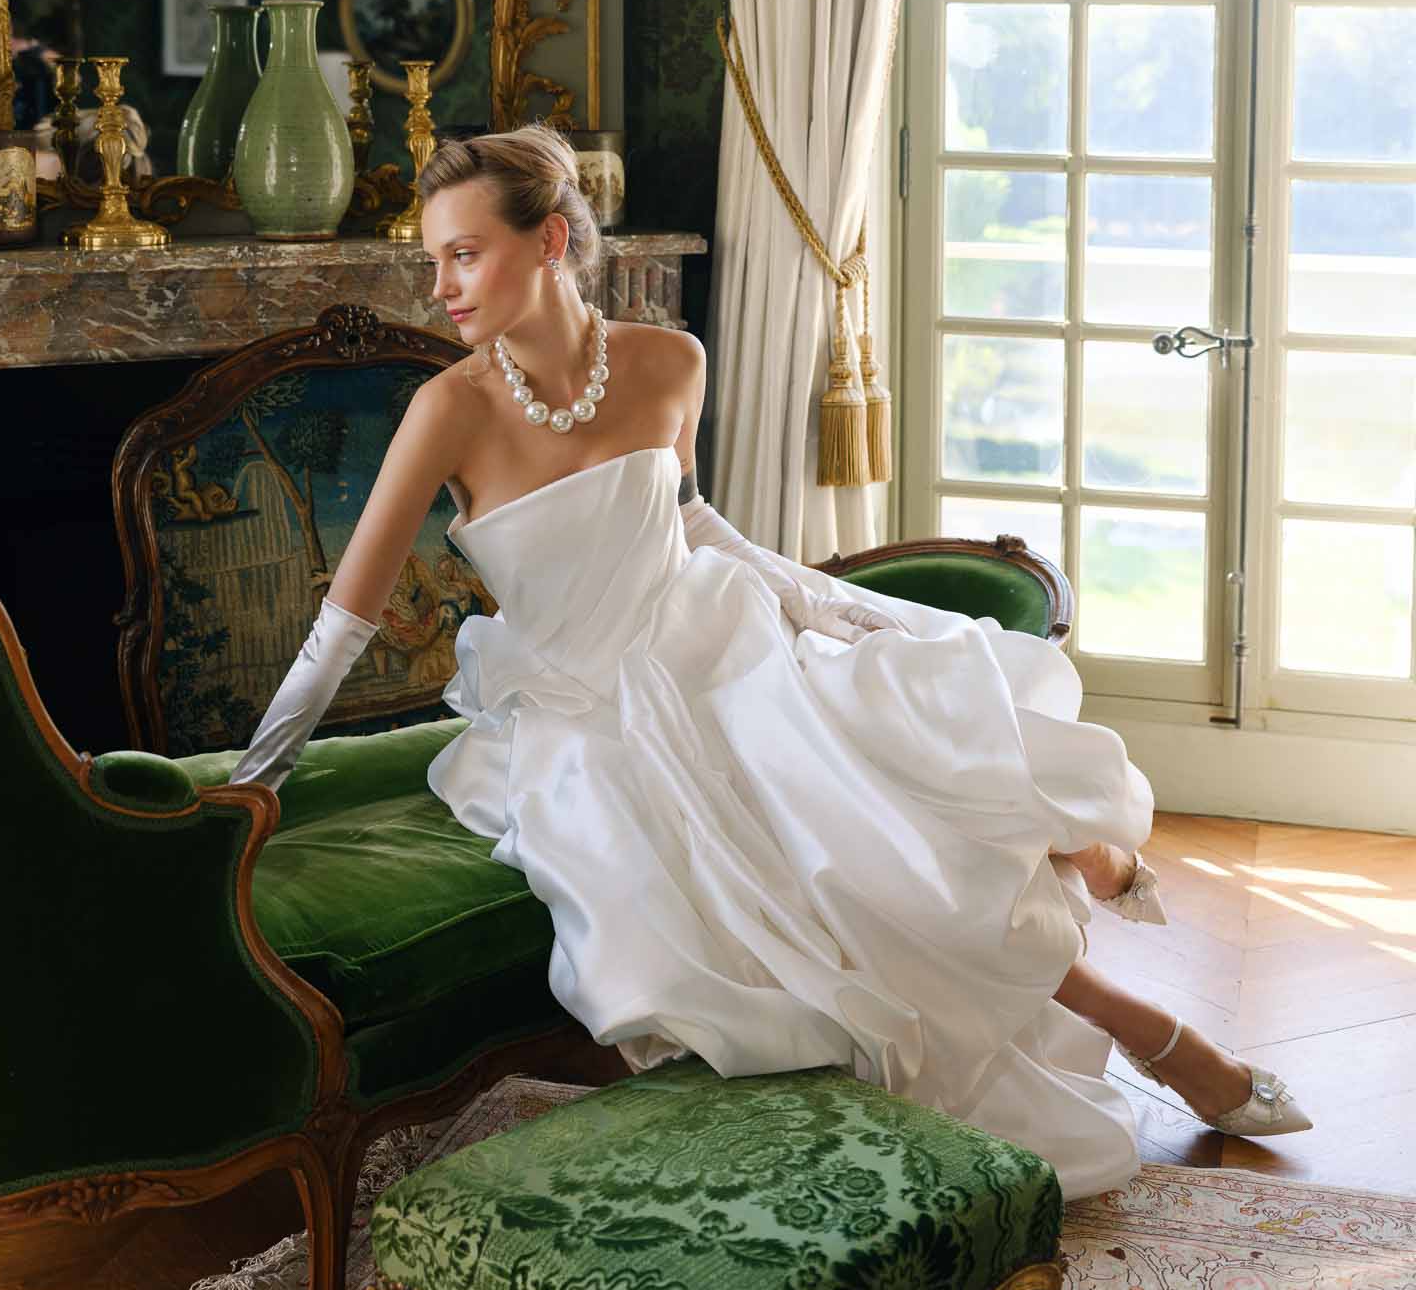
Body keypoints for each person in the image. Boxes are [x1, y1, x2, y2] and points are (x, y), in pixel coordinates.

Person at [231, 124, 1311, 1200]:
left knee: (890, 735)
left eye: (462, 252)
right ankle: (1149, 1013)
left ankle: (1093, 891)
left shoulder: (669, 361)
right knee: (830, 840)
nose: (441, 284)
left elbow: (694, 526)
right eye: (434, 260)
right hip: (587, 705)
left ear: (551, 238)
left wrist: (833, 607)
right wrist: (254, 780)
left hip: (720, 633)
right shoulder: (448, 410)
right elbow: (345, 623)